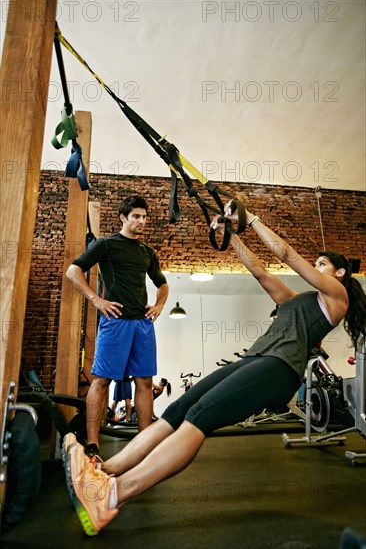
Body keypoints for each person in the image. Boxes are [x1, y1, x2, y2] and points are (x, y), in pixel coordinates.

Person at [64, 200, 366, 536]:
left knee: (202, 416)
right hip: (257, 359)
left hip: (280, 368)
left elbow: (288, 257)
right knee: (179, 408)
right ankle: (105, 471)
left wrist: (250, 219)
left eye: (322, 264)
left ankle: (114, 496)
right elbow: (260, 271)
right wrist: (230, 235)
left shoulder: (337, 297)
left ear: (339, 273)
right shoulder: (298, 300)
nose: (316, 266)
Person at [66, 196, 169, 460]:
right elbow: (73, 271)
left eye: (144, 217)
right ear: (123, 217)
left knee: (145, 382)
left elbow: (163, 284)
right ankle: (92, 444)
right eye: (136, 216)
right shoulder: (106, 244)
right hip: (116, 323)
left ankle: (144, 445)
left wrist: (158, 306)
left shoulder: (147, 252)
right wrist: (96, 300)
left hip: (142, 325)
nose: (142, 221)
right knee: (102, 381)